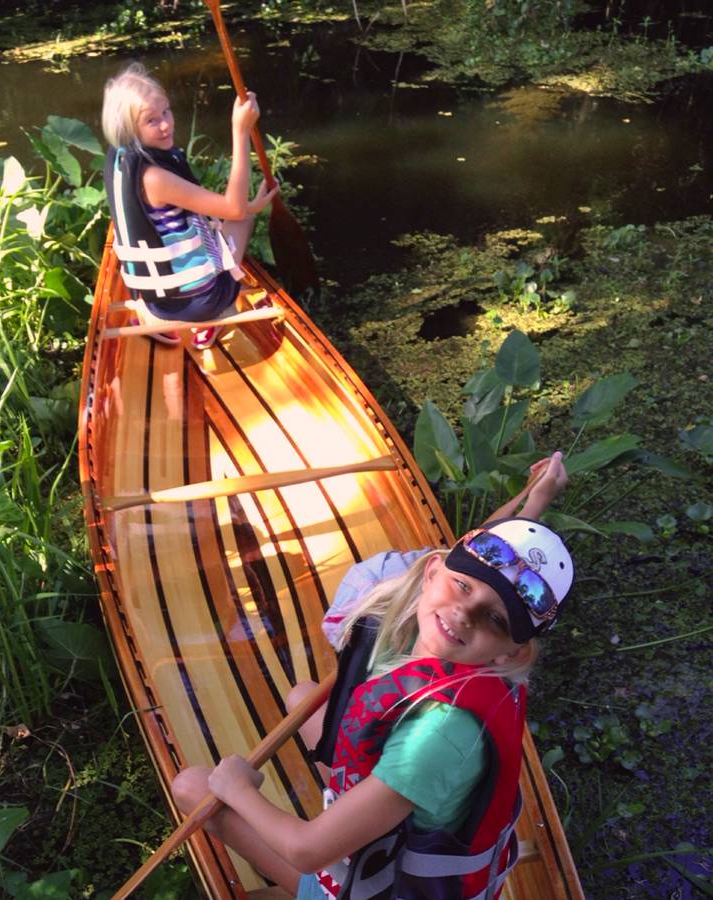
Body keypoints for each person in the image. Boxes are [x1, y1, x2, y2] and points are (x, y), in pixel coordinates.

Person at [172, 451, 573, 898]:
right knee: (302, 698)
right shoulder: (462, 645)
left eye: (493, 620)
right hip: (401, 820)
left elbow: (308, 851)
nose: (462, 614)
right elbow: (487, 568)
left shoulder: (440, 735)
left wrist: (239, 789)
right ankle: (354, 813)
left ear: (511, 653)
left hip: (375, 885)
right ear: (432, 572)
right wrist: (534, 500)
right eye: (461, 587)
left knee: (192, 788)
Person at [101, 62, 277, 350]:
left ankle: (151, 319)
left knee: (237, 212)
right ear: (128, 128)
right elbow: (233, 210)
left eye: (166, 111)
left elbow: (205, 204)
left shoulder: (120, 158)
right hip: (199, 304)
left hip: (156, 301)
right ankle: (213, 321)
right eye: (151, 120)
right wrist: (241, 131)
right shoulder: (155, 178)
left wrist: (245, 205)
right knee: (243, 219)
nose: (166, 124)